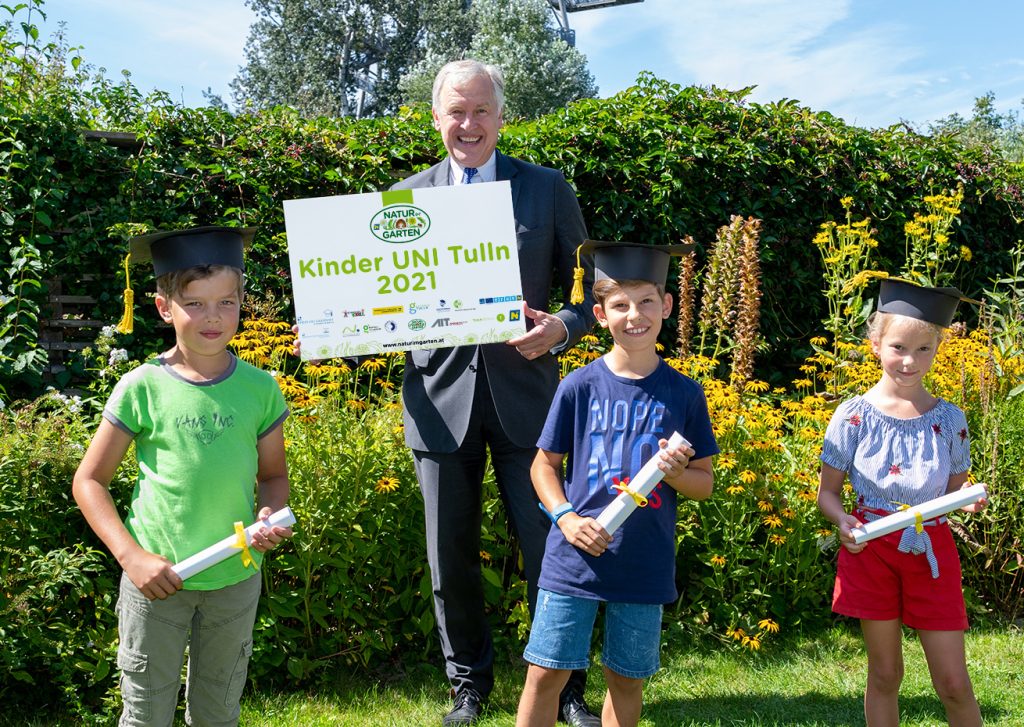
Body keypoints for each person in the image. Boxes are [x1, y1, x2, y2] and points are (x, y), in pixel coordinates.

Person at [382, 59, 598, 727]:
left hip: (529, 402)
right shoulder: (402, 200)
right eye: (456, 110)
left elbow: (589, 289)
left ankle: (564, 689)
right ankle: (467, 685)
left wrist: (563, 326)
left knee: (551, 547)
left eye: (481, 111)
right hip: (436, 402)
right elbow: (382, 297)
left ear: (502, 117)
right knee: (449, 555)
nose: (468, 124)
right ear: (436, 117)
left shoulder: (547, 188)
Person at [73, 226, 293, 727]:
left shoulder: (260, 390)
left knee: (217, 711)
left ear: (242, 303)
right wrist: (132, 558)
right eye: (194, 303)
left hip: (235, 580)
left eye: (227, 303)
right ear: (163, 307)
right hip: (157, 582)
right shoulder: (141, 387)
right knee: (147, 712)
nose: (213, 317)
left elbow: (273, 475)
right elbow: (88, 482)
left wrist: (269, 513)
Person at [515, 240, 718, 727]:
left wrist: (675, 473)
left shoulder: (685, 394)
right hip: (575, 557)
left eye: (647, 301)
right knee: (545, 673)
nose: (635, 315)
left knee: (626, 679)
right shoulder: (578, 387)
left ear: (666, 305)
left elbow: (704, 483)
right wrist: (564, 518)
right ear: (600, 314)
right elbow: (543, 466)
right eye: (620, 305)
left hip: (643, 559)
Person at [816, 278, 986, 727]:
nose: (910, 361)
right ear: (875, 344)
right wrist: (842, 521)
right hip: (870, 551)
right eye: (897, 348)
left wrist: (963, 502)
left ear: (937, 348)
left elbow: (953, 492)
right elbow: (827, 493)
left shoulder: (951, 420)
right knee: (886, 674)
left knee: (954, 682)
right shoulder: (853, 415)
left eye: (923, 350)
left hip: (930, 553)